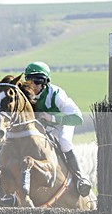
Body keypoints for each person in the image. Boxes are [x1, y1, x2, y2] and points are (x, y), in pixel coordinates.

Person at [23, 61, 92, 197]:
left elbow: (78, 118)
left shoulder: (56, 94)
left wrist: (52, 118)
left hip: (62, 123)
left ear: (44, 82)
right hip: (42, 127)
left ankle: (80, 178)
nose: (33, 86)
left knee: (64, 142)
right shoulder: (25, 94)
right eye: (30, 82)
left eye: (37, 82)